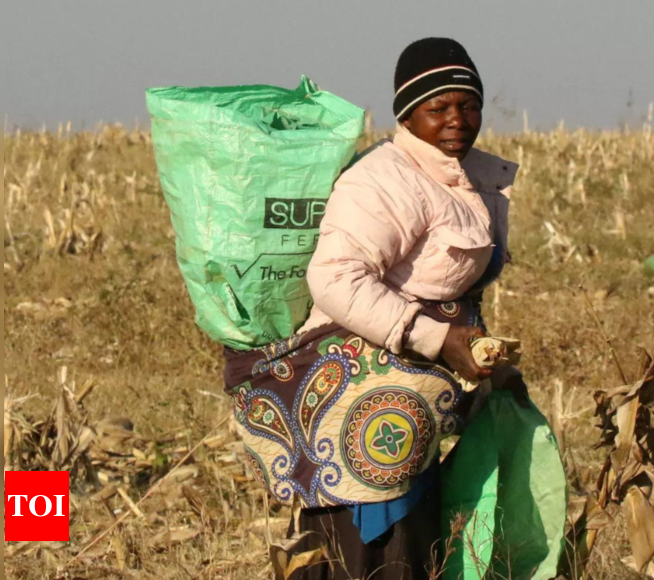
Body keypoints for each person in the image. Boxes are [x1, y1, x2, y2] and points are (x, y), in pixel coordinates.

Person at [222, 38, 525, 580]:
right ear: (407, 113)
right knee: (375, 537)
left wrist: (488, 362)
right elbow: (334, 279)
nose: (457, 119)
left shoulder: (471, 177)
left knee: (414, 526)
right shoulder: (384, 181)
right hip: (361, 386)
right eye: (438, 108)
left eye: (469, 104)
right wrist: (437, 339)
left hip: (413, 394)